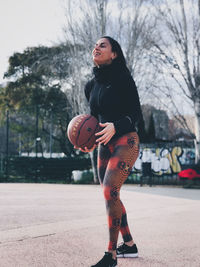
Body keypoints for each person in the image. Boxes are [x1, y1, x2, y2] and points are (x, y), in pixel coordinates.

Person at [75, 36, 142, 267]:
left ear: (114, 54)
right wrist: (88, 141)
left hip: (126, 139)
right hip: (105, 144)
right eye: (95, 45)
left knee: (109, 191)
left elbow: (136, 114)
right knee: (111, 194)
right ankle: (130, 245)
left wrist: (116, 125)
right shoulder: (90, 86)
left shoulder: (123, 78)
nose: (96, 47)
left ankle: (110, 255)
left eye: (103, 45)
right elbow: (93, 121)